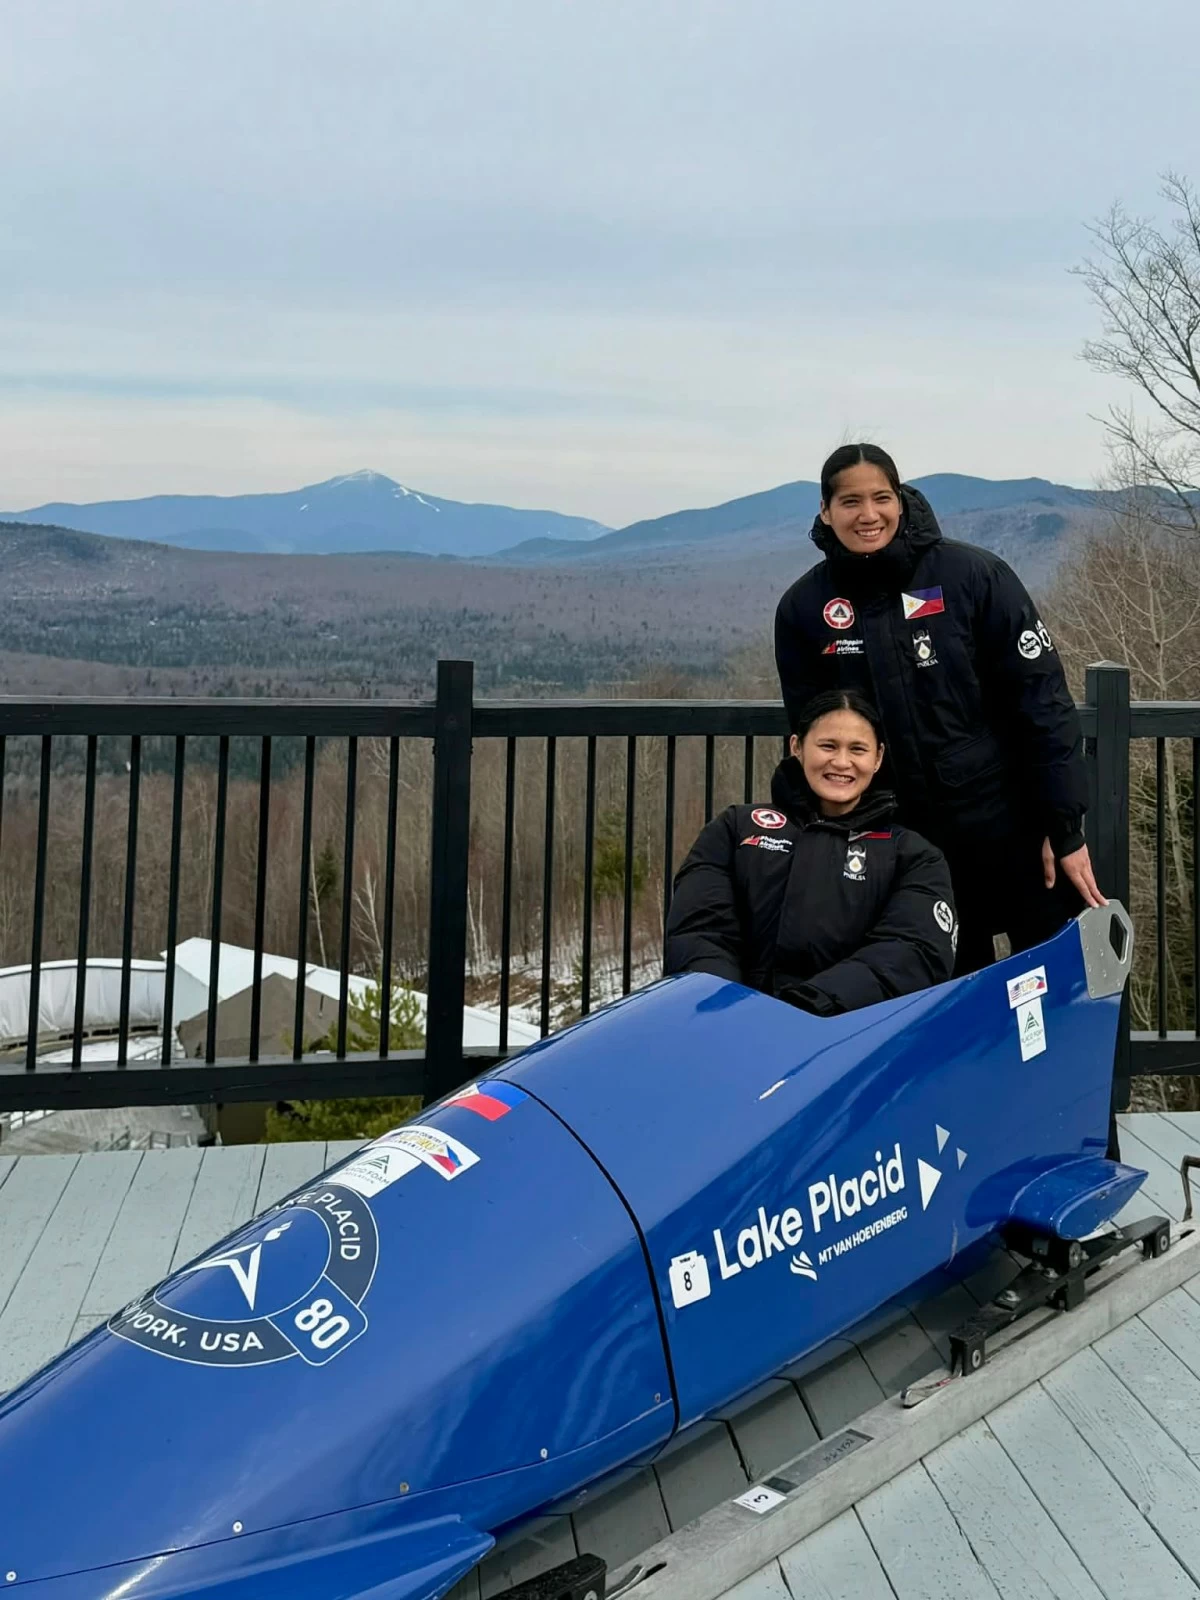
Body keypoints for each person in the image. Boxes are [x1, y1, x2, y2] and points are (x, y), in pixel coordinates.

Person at [774, 442, 1104, 980]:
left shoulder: (973, 576)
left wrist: (1063, 827)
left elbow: (1042, 703)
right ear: (826, 512)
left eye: (881, 497)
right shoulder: (804, 609)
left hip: (1013, 833)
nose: (868, 514)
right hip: (902, 851)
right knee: (944, 1010)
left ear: (900, 500)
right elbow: (812, 739)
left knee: (1047, 997)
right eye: (850, 501)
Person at [665, 690, 956, 1014]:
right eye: (828, 746)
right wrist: (730, 1007)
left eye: (858, 749)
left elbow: (912, 951)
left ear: (877, 758)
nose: (842, 762)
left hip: (844, 1038)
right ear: (797, 747)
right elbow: (699, 931)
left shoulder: (912, 856)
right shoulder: (735, 829)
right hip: (730, 1025)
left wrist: (806, 1010)